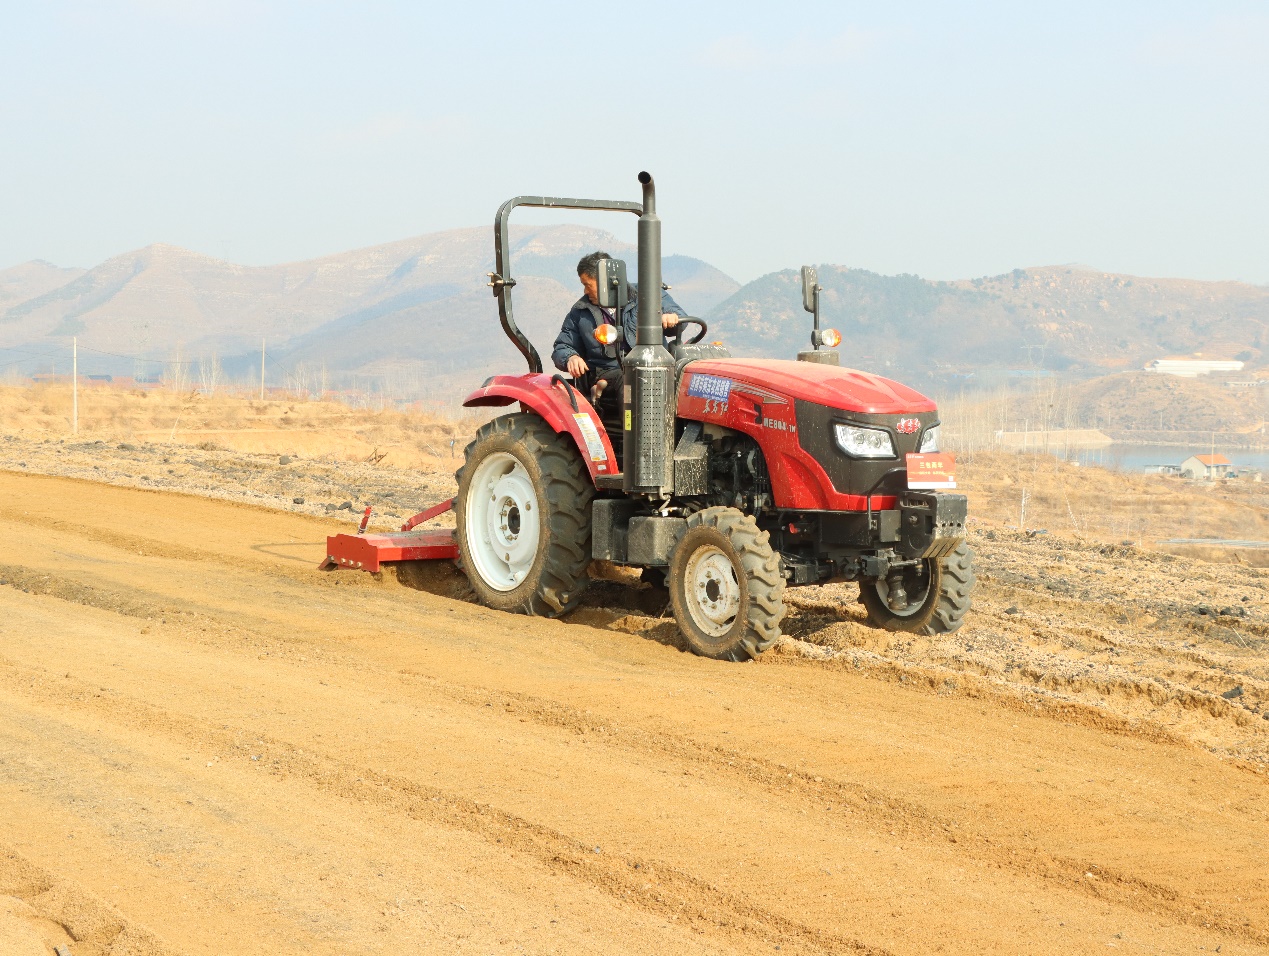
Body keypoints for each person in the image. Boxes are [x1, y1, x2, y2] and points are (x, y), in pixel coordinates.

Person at [552, 251, 686, 420]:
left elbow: (678, 316)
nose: (585, 291)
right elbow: (563, 345)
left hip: (654, 367)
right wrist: (570, 357)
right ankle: (633, 436)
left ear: (605, 282)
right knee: (630, 377)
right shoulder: (580, 311)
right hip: (608, 371)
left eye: (588, 284)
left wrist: (671, 317)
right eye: (583, 285)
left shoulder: (646, 294)